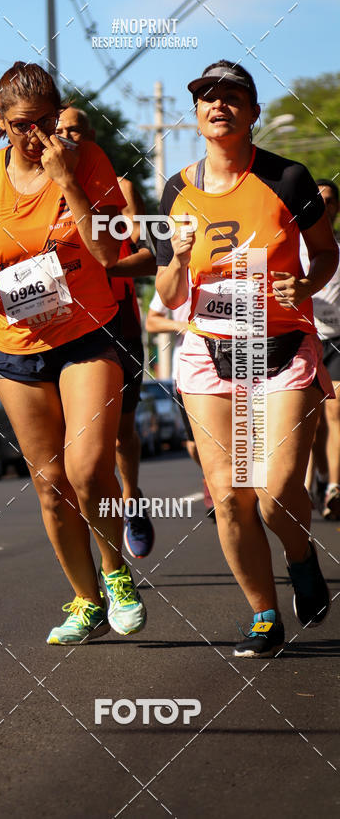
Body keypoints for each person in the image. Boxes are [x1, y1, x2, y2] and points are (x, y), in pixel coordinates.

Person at [0, 62, 146, 645]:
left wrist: (70, 181)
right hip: (16, 344)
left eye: (47, 121)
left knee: (86, 470)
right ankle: (85, 601)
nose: (37, 135)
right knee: (50, 483)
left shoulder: (88, 161)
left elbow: (110, 252)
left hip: (87, 335)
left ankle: (116, 574)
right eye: (24, 124)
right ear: (1, 122)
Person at [155, 59, 338, 658]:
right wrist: (178, 257)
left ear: (253, 112)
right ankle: (263, 612)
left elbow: (325, 252)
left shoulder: (288, 178)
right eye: (207, 97)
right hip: (209, 350)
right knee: (229, 495)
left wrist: (306, 289)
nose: (218, 105)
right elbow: (167, 294)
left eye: (232, 97)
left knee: (276, 489)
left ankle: (302, 553)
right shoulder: (176, 190)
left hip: (281, 346)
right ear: (198, 114)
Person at [56, 105, 157, 557]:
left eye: (74, 130)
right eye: (58, 130)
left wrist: (109, 264)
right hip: (60, 323)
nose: (66, 137)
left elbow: (148, 255)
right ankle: (101, 540)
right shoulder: (35, 185)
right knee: (74, 447)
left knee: (121, 431)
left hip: (117, 319)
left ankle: (131, 498)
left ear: (91, 134)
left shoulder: (122, 189)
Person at [145, 287, 215, 519]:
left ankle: (227, 486)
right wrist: (181, 325)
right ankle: (210, 475)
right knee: (194, 444)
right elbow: (151, 322)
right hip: (187, 371)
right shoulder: (177, 278)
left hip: (231, 366)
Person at [302, 179, 340, 519]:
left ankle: (333, 489)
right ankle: (305, 484)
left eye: (329, 200)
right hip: (302, 338)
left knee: (335, 412)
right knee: (309, 422)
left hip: (337, 340)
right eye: (317, 200)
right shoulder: (290, 245)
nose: (323, 205)